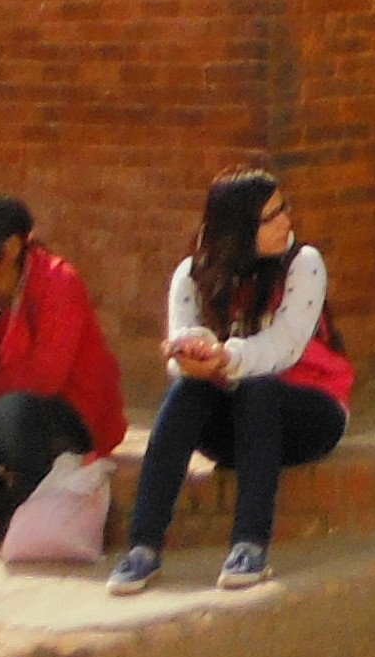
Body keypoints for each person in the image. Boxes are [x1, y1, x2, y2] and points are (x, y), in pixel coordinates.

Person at [108, 169, 358, 595]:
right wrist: (190, 357)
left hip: (307, 413)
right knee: (187, 390)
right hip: (234, 426)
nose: (285, 221)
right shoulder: (192, 274)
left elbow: (284, 347)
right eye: (270, 217)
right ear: (238, 228)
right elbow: (184, 339)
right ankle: (143, 548)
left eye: (284, 208)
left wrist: (225, 358)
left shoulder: (303, 264)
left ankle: (249, 546)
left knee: (258, 387)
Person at [0, 194, 128, 551]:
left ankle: (30, 510)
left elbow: (43, 379)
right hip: (6, 412)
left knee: (11, 411)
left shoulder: (58, 282)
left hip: (70, 416)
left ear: (9, 249)